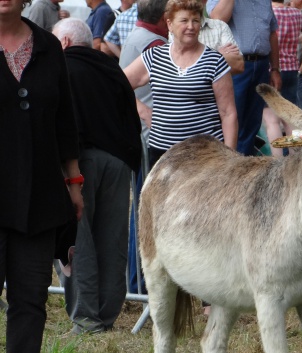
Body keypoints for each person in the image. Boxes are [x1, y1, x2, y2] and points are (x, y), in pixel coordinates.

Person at [0, 0, 83, 353]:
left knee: (30, 295)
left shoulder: (49, 46)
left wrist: (74, 181)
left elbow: (65, 121)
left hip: (40, 195)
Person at [52, 18, 141, 335]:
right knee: (113, 238)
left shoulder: (60, 68)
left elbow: (61, 122)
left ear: (63, 43)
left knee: (79, 240)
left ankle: (86, 319)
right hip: (118, 161)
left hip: (79, 162)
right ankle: (106, 315)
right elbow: (131, 117)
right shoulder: (112, 68)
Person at [124, 0, 237, 167]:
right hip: (162, 155)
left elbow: (228, 113)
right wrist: (142, 110)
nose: (191, 26)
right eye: (184, 21)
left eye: (196, 20)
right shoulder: (154, 56)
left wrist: (230, 158)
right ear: (169, 23)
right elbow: (119, 84)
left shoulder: (215, 61)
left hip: (206, 156)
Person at [119, 0, 168, 295]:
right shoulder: (154, 45)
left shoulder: (136, 36)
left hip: (141, 133)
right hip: (151, 137)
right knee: (145, 208)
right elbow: (125, 83)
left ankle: (136, 280)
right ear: (165, 18)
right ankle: (140, 283)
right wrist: (146, 113)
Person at [207, 0, 281, 155]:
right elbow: (216, 20)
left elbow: (272, 33)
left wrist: (275, 68)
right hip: (235, 67)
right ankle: (228, 165)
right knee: (231, 121)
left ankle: (243, 164)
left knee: (252, 124)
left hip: (261, 64)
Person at [262, 0, 302, 156]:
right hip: (292, 68)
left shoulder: (269, 13)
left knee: (271, 120)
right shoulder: (297, 13)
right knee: (289, 118)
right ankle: (295, 158)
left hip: (272, 68)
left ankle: (278, 159)